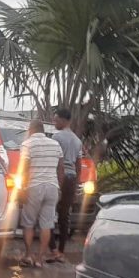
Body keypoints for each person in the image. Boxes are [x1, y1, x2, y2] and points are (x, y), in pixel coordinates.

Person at [18, 120, 63, 268]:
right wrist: (59, 187)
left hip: (34, 187)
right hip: (52, 187)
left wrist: (22, 188)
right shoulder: (55, 144)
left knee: (28, 223)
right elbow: (61, 169)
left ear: (31, 130)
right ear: (42, 130)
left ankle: (28, 255)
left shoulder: (27, 144)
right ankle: (40, 259)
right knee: (46, 224)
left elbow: (24, 168)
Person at [49, 108, 83, 262]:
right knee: (64, 216)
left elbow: (56, 162)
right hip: (72, 179)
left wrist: (56, 180)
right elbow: (79, 164)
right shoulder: (77, 140)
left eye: (56, 120)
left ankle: (52, 249)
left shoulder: (56, 137)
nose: (54, 123)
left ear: (64, 120)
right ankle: (61, 251)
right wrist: (76, 185)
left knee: (49, 213)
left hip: (58, 178)